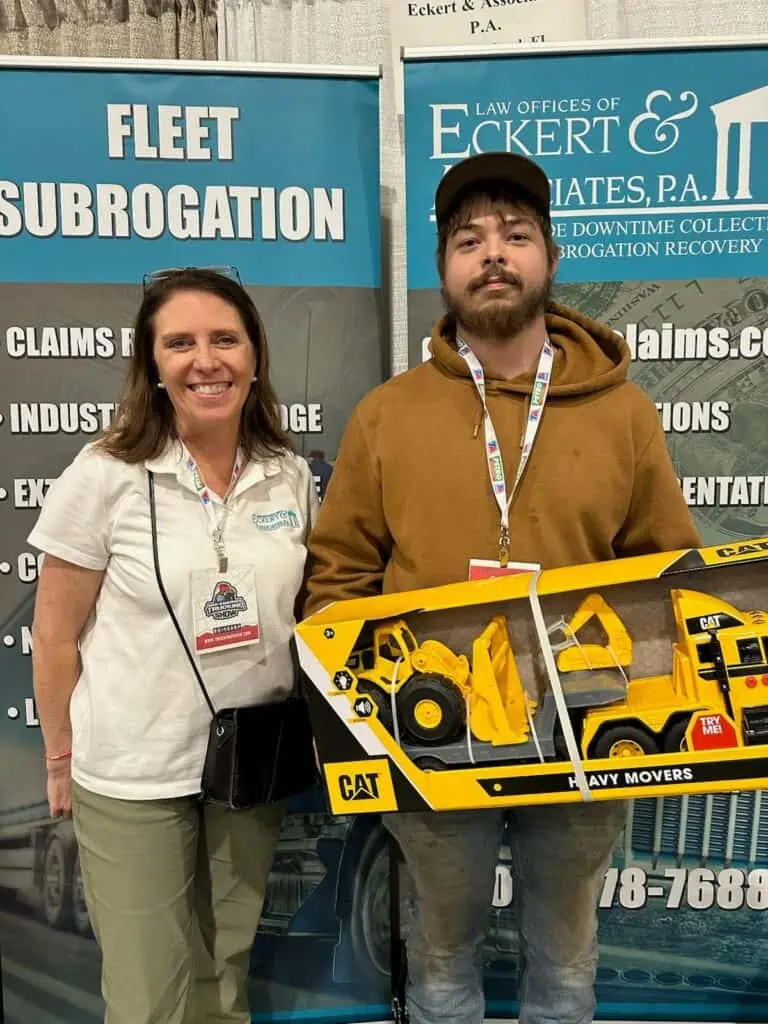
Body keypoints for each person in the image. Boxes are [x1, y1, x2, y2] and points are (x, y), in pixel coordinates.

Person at [303, 153, 701, 1024]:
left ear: (550, 260)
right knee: (441, 955)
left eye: (516, 236)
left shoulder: (623, 413)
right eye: (469, 240)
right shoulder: (389, 413)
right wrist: (365, 695)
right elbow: (337, 574)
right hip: (435, 738)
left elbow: (667, 564)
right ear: (443, 268)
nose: (494, 254)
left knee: (566, 961)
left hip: (586, 738)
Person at [28, 266, 318, 1024]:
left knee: (223, 978)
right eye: (180, 342)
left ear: (254, 354)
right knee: (150, 994)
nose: (206, 360)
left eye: (225, 339)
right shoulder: (104, 474)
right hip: (134, 772)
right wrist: (59, 756)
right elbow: (54, 634)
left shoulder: (288, 474)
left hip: (245, 768)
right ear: (151, 364)